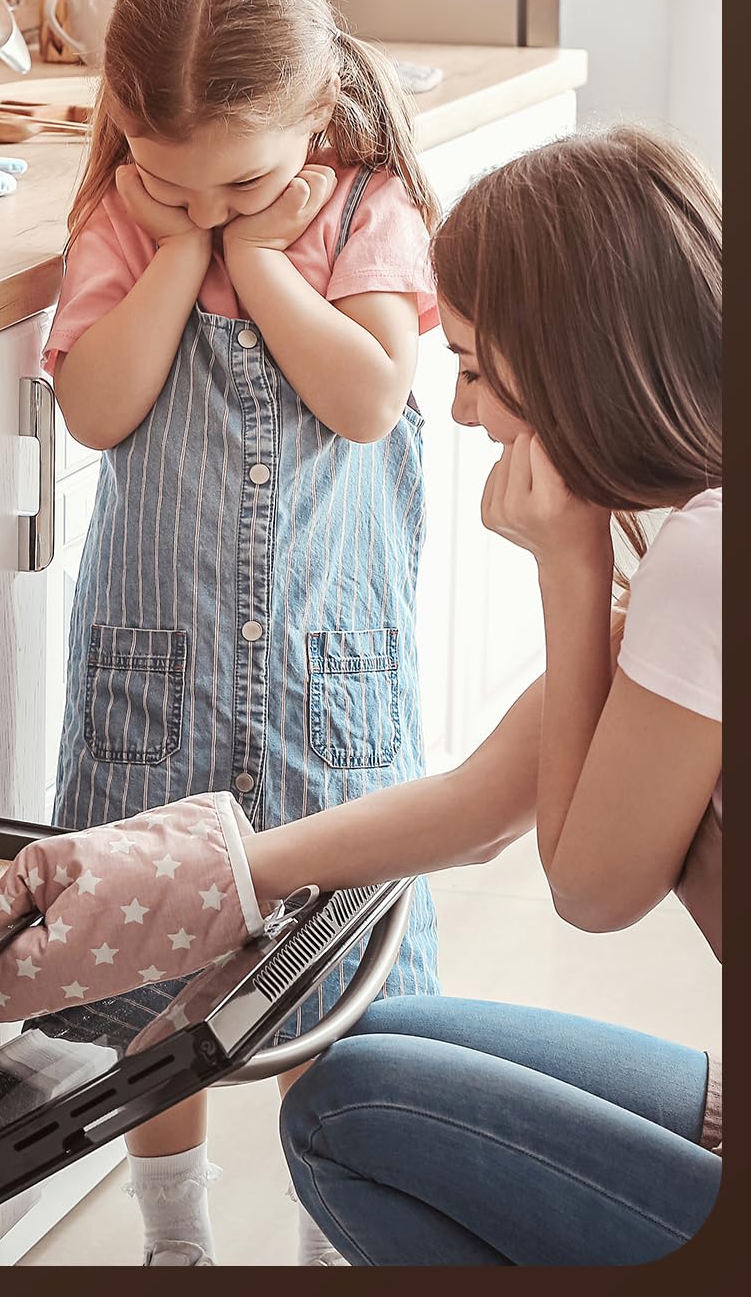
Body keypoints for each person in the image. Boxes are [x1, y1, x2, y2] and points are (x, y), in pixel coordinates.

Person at [41, 0, 444, 1266]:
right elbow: (98, 409)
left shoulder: (361, 211)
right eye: (174, 182)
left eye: (244, 181)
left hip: (329, 688)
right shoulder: (126, 220)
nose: (208, 207)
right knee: (164, 985)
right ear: (123, 133)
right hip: (162, 681)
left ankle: (342, 1228)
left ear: (320, 114)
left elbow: (368, 395)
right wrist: (171, 255)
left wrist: (261, 262)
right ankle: (177, 1241)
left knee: (331, 986)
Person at [259, 123, 722, 1264]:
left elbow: (592, 887)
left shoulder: (709, 562)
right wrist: (223, 867)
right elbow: (488, 799)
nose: (462, 413)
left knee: (342, 1113)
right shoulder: (691, 528)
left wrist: (564, 568)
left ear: (572, 359)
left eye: (471, 366)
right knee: (395, 1037)